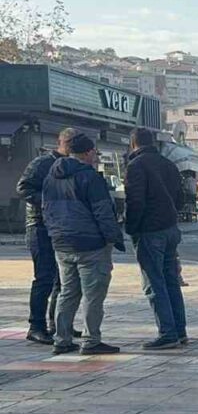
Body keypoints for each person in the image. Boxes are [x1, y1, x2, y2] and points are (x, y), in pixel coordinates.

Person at [42, 133, 125, 355]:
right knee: (93, 294)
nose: (96, 157)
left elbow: (45, 210)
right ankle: (91, 340)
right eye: (95, 153)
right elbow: (103, 212)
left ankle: (62, 339)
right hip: (90, 244)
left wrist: (55, 234)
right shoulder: (89, 177)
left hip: (62, 243)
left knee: (67, 292)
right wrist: (113, 238)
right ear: (88, 152)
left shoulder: (51, 177)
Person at [125, 127, 188, 349]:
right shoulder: (168, 164)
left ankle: (168, 333)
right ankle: (179, 330)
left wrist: (131, 228)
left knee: (154, 282)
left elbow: (135, 201)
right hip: (170, 228)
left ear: (133, 144)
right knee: (171, 280)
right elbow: (181, 198)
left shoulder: (136, 166)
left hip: (150, 230)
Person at [16, 128, 78, 345]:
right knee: (44, 277)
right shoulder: (42, 163)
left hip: (61, 227)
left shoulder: (74, 165)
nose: (72, 146)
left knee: (63, 279)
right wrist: (49, 202)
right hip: (40, 226)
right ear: (61, 142)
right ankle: (36, 326)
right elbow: (23, 188)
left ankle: (59, 323)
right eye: (70, 142)